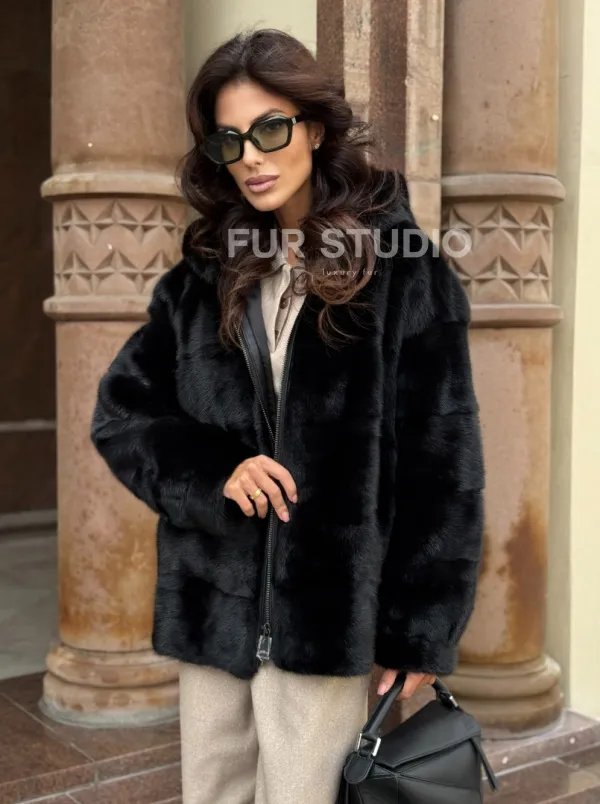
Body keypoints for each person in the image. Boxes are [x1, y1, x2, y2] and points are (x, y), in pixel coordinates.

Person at [90, 27, 485, 804]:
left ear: (315, 129)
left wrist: (419, 631)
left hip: (327, 618)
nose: (251, 158)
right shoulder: (207, 274)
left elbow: (444, 464)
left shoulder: (400, 270)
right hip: (213, 608)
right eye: (229, 141)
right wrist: (214, 473)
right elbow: (122, 412)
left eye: (270, 130)